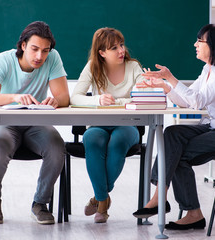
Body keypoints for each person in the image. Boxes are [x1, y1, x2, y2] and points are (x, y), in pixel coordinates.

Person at [132, 24, 215, 230]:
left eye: (200, 40)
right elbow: (186, 101)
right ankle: (162, 197)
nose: (195, 44)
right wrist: (165, 87)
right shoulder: (209, 69)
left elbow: (198, 101)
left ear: (214, 45)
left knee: (177, 153)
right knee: (172, 133)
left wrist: (170, 78)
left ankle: (188, 211)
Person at [0, 21, 70, 225]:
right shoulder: (3, 60)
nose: (40, 57)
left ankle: (40, 203)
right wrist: (15, 97)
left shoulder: (52, 58)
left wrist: (56, 100)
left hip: (35, 123)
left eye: (45, 51)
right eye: (35, 49)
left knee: (56, 147)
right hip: (4, 122)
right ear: (23, 46)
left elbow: (64, 96)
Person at [70, 27, 146, 223]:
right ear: (101, 53)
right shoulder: (92, 67)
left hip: (128, 126)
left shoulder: (133, 67)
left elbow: (140, 99)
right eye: (114, 48)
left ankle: (99, 198)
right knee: (91, 138)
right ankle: (104, 199)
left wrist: (117, 102)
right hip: (99, 124)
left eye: (121, 45)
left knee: (118, 141)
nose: (121, 50)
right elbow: (75, 97)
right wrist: (97, 100)